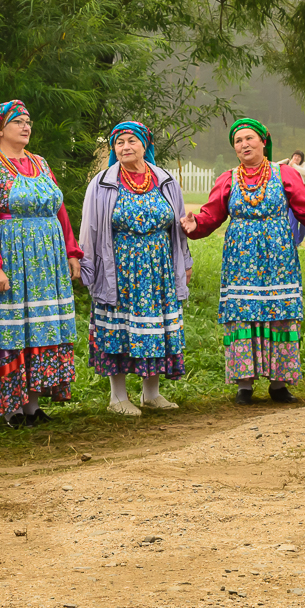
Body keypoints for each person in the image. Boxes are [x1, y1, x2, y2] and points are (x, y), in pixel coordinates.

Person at [181, 118, 305, 404]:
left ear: (263, 142)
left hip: (278, 256)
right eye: (238, 141)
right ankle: (244, 385)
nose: (244, 144)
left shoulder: (284, 174)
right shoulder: (228, 179)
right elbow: (212, 214)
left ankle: (279, 384)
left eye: (249, 139)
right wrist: (195, 224)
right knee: (243, 314)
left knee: (279, 314)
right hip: (240, 257)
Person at [0, 100, 83, 426]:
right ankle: (10, 407)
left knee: (38, 328)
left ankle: (32, 404)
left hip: (47, 262)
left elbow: (59, 211)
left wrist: (71, 252)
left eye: (28, 121)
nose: (26, 126)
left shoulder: (41, 163)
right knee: (13, 330)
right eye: (18, 121)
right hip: (12, 259)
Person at [79, 121, 193, 415]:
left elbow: (178, 225)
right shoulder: (103, 183)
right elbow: (90, 228)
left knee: (154, 328)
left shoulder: (164, 180)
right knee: (119, 329)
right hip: (120, 268)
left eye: (132, 141)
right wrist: (87, 267)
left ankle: (151, 394)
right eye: (119, 143)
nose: (126, 147)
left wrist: (185, 263)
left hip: (159, 268)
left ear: (145, 145)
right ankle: (118, 397)